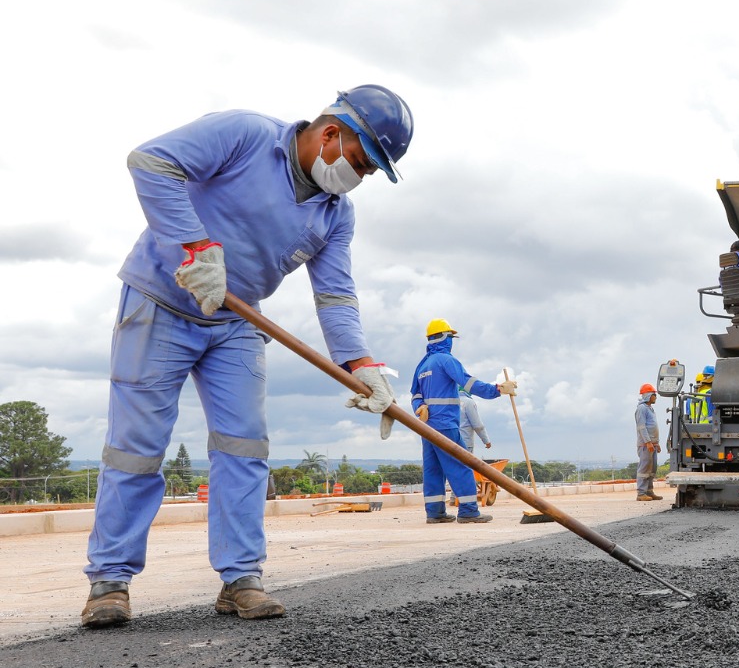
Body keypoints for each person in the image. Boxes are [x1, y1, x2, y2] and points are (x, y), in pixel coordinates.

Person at [80, 85, 413, 629]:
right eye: (361, 162)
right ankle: (110, 582)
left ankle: (240, 579)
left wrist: (360, 365)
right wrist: (194, 247)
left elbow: (335, 294)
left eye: (373, 172)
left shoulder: (335, 214)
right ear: (331, 133)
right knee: (136, 448)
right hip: (161, 300)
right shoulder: (245, 135)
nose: (362, 178)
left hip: (237, 320)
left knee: (244, 446)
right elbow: (151, 161)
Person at [410, 319, 514, 525]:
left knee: (433, 469)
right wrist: (498, 389)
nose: (451, 341)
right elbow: (469, 384)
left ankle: (435, 512)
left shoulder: (422, 365)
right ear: (444, 338)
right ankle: (468, 510)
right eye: (450, 337)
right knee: (460, 464)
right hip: (445, 423)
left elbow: (415, 394)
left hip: (426, 426)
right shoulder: (446, 360)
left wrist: (418, 407)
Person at [636, 384, 662, 500]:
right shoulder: (641, 409)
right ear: (648, 395)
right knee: (644, 469)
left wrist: (656, 443)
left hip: (652, 444)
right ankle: (641, 493)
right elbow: (642, 427)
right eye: (654, 395)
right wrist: (648, 442)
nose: (655, 397)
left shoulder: (649, 409)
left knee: (652, 469)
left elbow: (652, 427)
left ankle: (649, 491)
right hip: (645, 445)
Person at [459, 387, 492, 454]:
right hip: (465, 442)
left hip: (449, 442)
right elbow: (477, 425)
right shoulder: (468, 402)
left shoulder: (449, 401)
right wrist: (486, 441)